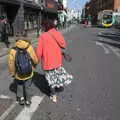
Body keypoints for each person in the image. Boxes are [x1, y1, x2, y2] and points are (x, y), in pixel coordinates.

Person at [35, 20, 73, 103]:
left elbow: (38, 51)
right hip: (57, 60)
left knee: (50, 78)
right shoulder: (56, 33)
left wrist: (36, 60)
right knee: (56, 74)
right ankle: (58, 86)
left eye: (42, 26)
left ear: (45, 27)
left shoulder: (43, 36)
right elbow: (63, 44)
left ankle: (53, 94)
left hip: (48, 61)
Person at [8, 37, 38, 106]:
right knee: (28, 86)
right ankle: (28, 100)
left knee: (19, 85)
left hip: (18, 73)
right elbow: (34, 58)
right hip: (28, 72)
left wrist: (12, 73)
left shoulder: (13, 50)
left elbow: (11, 63)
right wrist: (35, 64)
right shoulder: (29, 47)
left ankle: (21, 98)